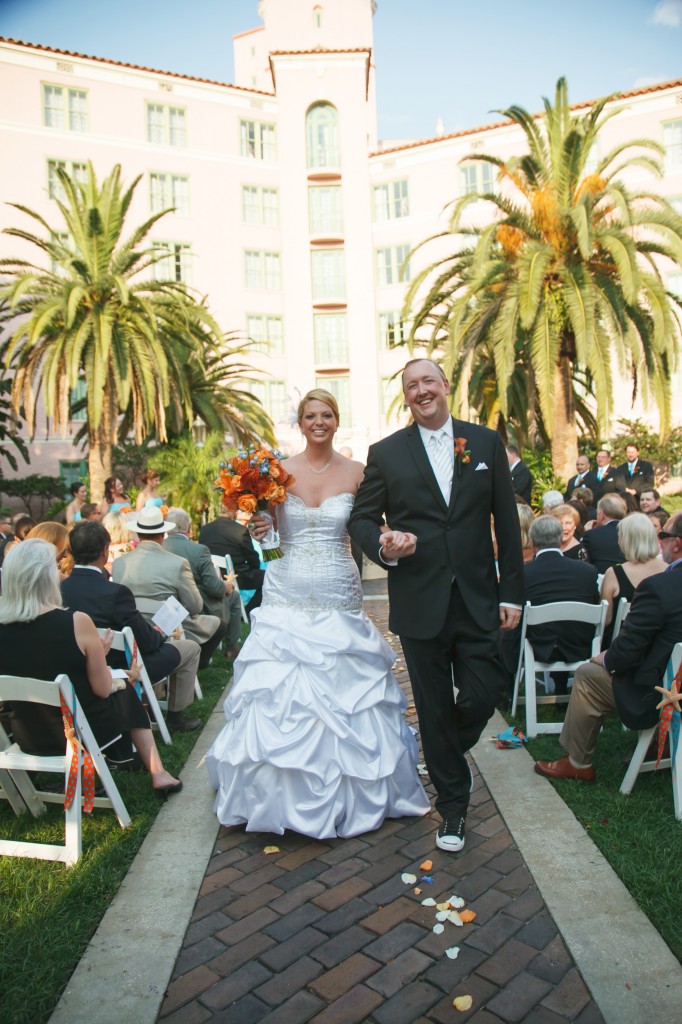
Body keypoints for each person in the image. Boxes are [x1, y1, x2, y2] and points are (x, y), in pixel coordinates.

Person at [206, 388, 430, 839]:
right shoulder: (275, 472)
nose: (319, 422)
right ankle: (275, 798)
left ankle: (359, 792)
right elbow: (268, 545)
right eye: (311, 415)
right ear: (300, 422)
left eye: (326, 414)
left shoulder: (359, 472)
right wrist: (261, 530)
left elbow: (370, 525)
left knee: (349, 690)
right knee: (281, 693)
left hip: (338, 589)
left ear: (336, 419)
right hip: (286, 590)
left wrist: (393, 541)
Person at [348, 359, 524, 853]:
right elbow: (362, 518)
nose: (421, 391)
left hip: (477, 597)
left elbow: (506, 526)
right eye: (411, 386)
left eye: (428, 381)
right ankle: (453, 809)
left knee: (483, 693)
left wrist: (511, 590)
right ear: (405, 397)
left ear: (445, 386)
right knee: (430, 703)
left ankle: (441, 746)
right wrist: (384, 543)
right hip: (419, 597)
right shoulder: (385, 453)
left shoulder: (484, 443)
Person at [0, 539, 182, 795]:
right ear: (44, 577)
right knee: (125, 689)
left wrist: (95, 654)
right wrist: (108, 667)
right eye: (55, 566)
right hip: (78, 734)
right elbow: (101, 688)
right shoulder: (76, 621)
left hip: (27, 736)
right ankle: (158, 774)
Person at [534, 513, 682, 783]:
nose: (660, 541)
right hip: (671, 682)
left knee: (588, 674)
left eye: (663, 535)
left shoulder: (660, 587)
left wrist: (606, 657)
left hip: (661, 693)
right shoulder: (661, 579)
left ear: (677, 544)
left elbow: (626, 651)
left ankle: (578, 762)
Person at [61, 521, 202, 734]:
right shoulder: (114, 592)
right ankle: (175, 717)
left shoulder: (59, 588)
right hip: (123, 669)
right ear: (105, 551)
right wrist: (159, 634)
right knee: (190, 648)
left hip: (75, 669)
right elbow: (146, 643)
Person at [112, 505, 221, 677]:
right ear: (163, 535)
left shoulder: (119, 563)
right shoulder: (177, 563)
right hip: (166, 627)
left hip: (131, 628)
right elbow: (195, 606)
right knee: (215, 622)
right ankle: (191, 665)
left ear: (138, 535)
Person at [500, 516, 598, 696]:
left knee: (508, 628)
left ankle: (506, 692)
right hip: (580, 645)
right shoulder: (588, 572)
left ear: (532, 541)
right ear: (560, 538)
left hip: (538, 647)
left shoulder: (523, 573)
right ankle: (560, 688)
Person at [163, 507, 241, 659]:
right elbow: (214, 588)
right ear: (189, 528)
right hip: (197, 606)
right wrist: (226, 586)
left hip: (168, 606)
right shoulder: (199, 550)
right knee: (234, 596)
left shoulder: (160, 547)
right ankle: (232, 647)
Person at [599, 512, 665, 647]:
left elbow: (605, 620)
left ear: (625, 540)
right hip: (657, 651)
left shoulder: (614, 574)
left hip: (618, 651)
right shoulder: (669, 571)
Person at [199, 508, 265, 615]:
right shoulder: (240, 530)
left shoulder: (205, 529)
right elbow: (252, 557)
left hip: (210, 576)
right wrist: (255, 567)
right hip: (236, 576)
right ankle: (248, 612)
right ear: (235, 513)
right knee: (267, 578)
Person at [582, 494, 627, 573]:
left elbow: (581, 560)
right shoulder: (632, 533)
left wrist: (586, 533)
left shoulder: (591, 535)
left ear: (601, 514)